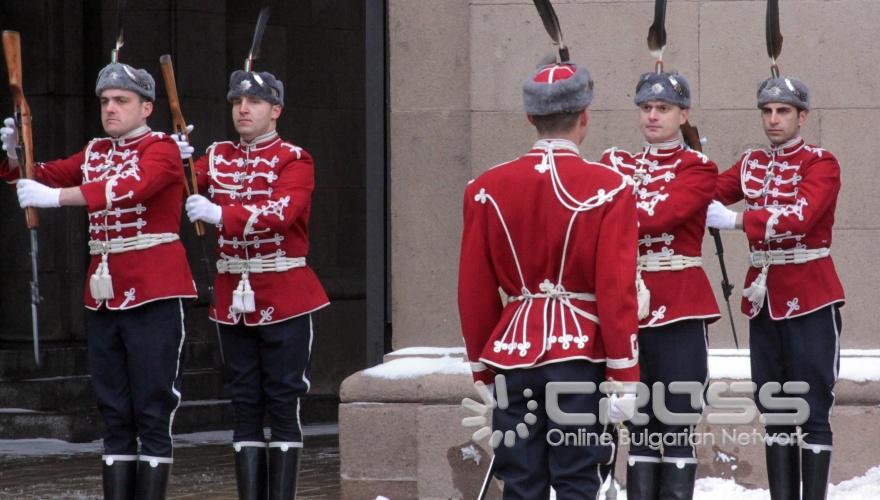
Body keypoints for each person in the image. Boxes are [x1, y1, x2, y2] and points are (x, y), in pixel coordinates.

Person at [1, 62, 197, 499]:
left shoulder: (163, 149)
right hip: (104, 295)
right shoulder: (94, 152)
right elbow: (38, 174)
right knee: (112, 408)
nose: (110, 109)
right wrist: (16, 154)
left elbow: (128, 187)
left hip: (153, 290)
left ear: (147, 107)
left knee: (152, 405)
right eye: (105, 101)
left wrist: (56, 198)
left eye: (121, 101)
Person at [457, 58, 640, 499]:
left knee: (520, 483)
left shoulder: (484, 188)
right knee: (578, 482)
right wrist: (625, 372)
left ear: (530, 117)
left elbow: (474, 291)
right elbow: (616, 291)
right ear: (585, 116)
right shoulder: (611, 187)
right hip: (579, 354)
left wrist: (482, 368)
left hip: (509, 355)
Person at [176, 67, 329, 500]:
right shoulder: (218, 155)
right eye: (237, 102)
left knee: (282, 401)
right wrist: (172, 153)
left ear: (275, 110)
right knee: (244, 402)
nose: (243, 109)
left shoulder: (294, 159)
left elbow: (284, 210)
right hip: (233, 299)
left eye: (255, 102)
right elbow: (174, 184)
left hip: (285, 294)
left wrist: (222, 214)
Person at [707, 76, 844, 500]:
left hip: (811, 297)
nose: (773, 119)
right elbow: (705, 193)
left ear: (802, 116)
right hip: (764, 301)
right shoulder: (750, 163)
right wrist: (688, 167)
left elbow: (801, 215)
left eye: (783, 111)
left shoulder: (821, 163)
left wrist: (735, 220)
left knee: (813, 411)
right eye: (766, 111)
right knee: (775, 411)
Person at [600, 71, 719, 499]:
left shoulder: (698, 168)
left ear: (682, 114)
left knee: (676, 418)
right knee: (638, 422)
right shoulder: (617, 161)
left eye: (663, 108)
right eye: (646, 108)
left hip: (678, 302)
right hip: (626, 304)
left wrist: (613, 211)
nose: (652, 116)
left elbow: (659, 215)